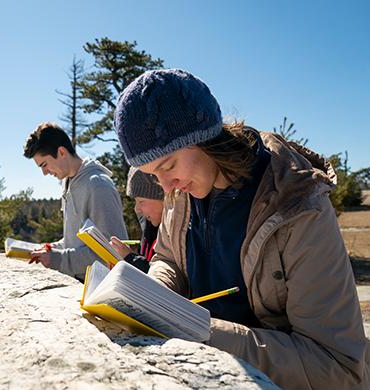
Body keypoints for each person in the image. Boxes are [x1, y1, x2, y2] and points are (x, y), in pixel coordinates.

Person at [113, 68, 369, 389]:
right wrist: (154, 297)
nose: (166, 186)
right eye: (153, 175)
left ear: (203, 137)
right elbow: (169, 258)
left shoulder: (298, 207)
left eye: (168, 166)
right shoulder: (183, 194)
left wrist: (200, 331)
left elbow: (338, 367)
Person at [23, 122, 128, 281]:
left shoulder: (98, 185)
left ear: (61, 152)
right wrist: (50, 249)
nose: (44, 173)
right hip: (81, 283)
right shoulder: (68, 183)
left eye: (44, 165)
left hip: (101, 290)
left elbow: (111, 252)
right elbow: (76, 242)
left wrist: (58, 259)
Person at [110, 167, 164, 273]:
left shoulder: (176, 235)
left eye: (141, 201)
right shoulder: (148, 228)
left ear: (163, 197)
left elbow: (160, 278)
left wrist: (130, 258)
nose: (137, 209)